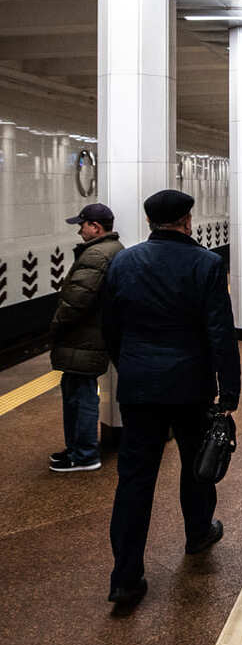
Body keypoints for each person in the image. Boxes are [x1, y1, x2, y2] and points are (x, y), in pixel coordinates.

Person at [102, 189, 241, 609]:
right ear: (186, 220)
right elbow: (220, 331)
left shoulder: (123, 262)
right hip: (190, 384)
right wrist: (229, 389)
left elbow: (109, 326)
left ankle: (126, 578)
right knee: (195, 464)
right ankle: (198, 532)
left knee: (134, 479)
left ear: (149, 222)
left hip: (140, 385)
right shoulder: (206, 264)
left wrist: (129, 365)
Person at [47, 202, 124, 473]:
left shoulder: (96, 255)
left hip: (84, 337)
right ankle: (77, 449)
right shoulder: (112, 250)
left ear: (95, 226)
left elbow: (77, 301)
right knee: (78, 391)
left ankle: (84, 454)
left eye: (82, 225)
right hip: (92, 336)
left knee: (81, 395)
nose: (79, 230)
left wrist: (55, 327)